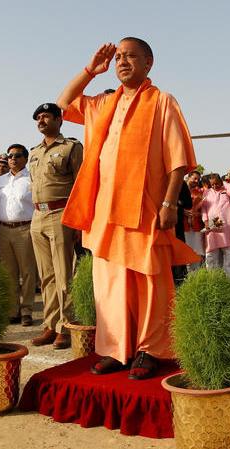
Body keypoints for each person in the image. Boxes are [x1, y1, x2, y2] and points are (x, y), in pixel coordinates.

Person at [57, 37, 199, 379]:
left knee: (150, 280)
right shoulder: (103, 104)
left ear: (148, 63)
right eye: (118, 57)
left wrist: (169, 203)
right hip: (104, 211)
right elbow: (63, 104)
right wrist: (92, 69)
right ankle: (115, 349)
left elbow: (177, 160)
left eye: (131, 56)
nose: (122, 61)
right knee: (110, 283)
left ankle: (150, 350)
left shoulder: (162, 101)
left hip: (145, 208)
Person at [27, 103, 83, 350]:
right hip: (38, 215)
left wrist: (80, 221)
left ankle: (66, 325)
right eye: (38, 117)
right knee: (46, 276)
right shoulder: (34, 151)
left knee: (64, 275)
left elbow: (82, 184)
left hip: (61, 213)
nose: (41, 120)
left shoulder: (71, 147)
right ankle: (50, 324)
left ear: (59, 120)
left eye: (46, 116)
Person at [0, 144, 36, 327]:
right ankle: (12, 310)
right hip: (4, 230)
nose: (12, 159)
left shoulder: (31, 178)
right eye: (10, 156)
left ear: (25, 158)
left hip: (25, 229)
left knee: (27, 272)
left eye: (17, 156)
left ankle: (27, 310)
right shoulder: (1, 181)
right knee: (9, 273)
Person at [201, 174, 230, 276]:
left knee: (229, 253)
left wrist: (224, 183)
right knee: (211, 254)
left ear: (221, 182)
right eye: (212, 184)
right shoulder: (206, 192)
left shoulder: (226, 191)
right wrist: (205, 221)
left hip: (226, 227)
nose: (214, 186)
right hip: (212, 227)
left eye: (217, 183)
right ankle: (213, 279)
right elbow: (203, 209)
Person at [183, 170, 205, 271]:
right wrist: (183, 212)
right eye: (194, 178)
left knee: (197, 252)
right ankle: (186, 277)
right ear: (188, 177)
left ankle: (196, 277)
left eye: (198, 179)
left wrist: (196, 214)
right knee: (185, 251)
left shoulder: (200, 192)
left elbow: (204, 211)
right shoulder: (179, 189)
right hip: (183, 226)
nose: (196, 181)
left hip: (196, 226)